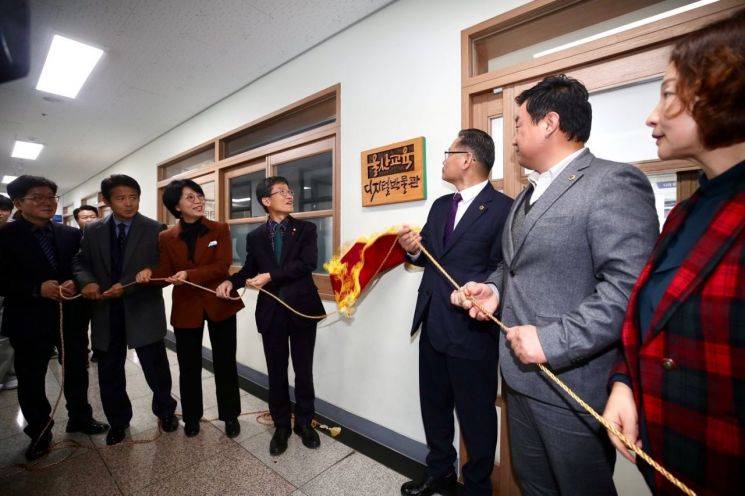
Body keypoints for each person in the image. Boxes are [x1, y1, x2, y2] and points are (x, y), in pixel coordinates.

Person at [453, 75, 659, 495]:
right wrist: (493, 291)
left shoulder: (611, 183)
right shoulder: (527, 194)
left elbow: (629, 290)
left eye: (518, 124)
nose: (513, 138)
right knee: (534, 486)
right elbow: (513, 270)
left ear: (549, 123)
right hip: (517, 376)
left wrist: (552, 341)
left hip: (570, 382)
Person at [602, 10, 745, 496]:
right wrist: (624, 382)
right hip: (674, 457)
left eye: (667, 92)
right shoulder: (684, 213)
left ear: (725, 89)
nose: (651, 115)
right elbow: (651, 318)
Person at [396, 129, 512, 496]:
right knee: (435, 408)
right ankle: (439, 474)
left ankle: (477, 488)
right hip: (432, 324)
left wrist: (487, 291)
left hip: (471, 331)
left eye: (449, 152)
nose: (443, 159)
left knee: (477, 418)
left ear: (468, 159)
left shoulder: (504, 209)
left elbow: (505, 268)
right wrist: (412, 248)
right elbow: (427, 255)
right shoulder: (441, 206)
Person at [0, 175, 108, 461]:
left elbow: (80, 265)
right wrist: (36, 289)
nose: (47, 202)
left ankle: (80, 417)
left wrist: (75, 280)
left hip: (70, 314)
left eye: (51, 197)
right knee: (31, 377)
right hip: (27, 319)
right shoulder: (4, 236)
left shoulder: (70, 234)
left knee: (76, 367)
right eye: (38, 197)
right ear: (18, 203)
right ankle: (39, 431)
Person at [216, 176, 325, 457]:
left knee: (304, 370)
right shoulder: (255, 237)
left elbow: (306, 263)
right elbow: (249, 269)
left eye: (290, 191)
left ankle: (304, 422)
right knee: (276, 371)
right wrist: (233, 282)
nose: (290, 195)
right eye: (282, 192)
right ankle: (281, 425)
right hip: (271, 312)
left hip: (302, 308)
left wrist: (271, 276)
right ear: (266, 200)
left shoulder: (306, 229)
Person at [73, 175, 178, 445]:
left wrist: (134, 282)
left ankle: (166, 411)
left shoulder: (156, 228)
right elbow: (80, 262)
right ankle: (118, 421)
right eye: (121, 198)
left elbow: (163, 267)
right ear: (107, 201)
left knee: (156, 368)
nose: (129, 203)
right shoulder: (92, 230)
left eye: (133, 197)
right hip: (106, 311)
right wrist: (87, 282)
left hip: (143, 307)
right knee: (109, 370)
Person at [137, 179, 243, 439]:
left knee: (225, 363)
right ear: (176, 206)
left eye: (199, 196)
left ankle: (230, 416)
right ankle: (193, 418)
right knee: (189, 366)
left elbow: (222, 266)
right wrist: (150, 273)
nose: (198, 201)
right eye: (190, 198)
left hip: (220, 303)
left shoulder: (219, 229)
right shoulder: (165, 236)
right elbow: (166, 270)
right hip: (185, 307)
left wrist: (190, 274)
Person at [72, 204, 100, 364]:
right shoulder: (72, 237)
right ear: (77, 221)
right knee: (80, 323)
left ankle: (98, 349)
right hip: (77, 289)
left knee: (99, 321)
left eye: (92, 216)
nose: (89, 220)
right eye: (84, 217)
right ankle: (82, 350)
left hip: (99, 288)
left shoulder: (102, 235)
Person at [0, 194, 18, 391]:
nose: (0, 213)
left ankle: (9, 373)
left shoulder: (16, 231)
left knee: (6, 336)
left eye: (4, 208)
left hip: (14, 289)